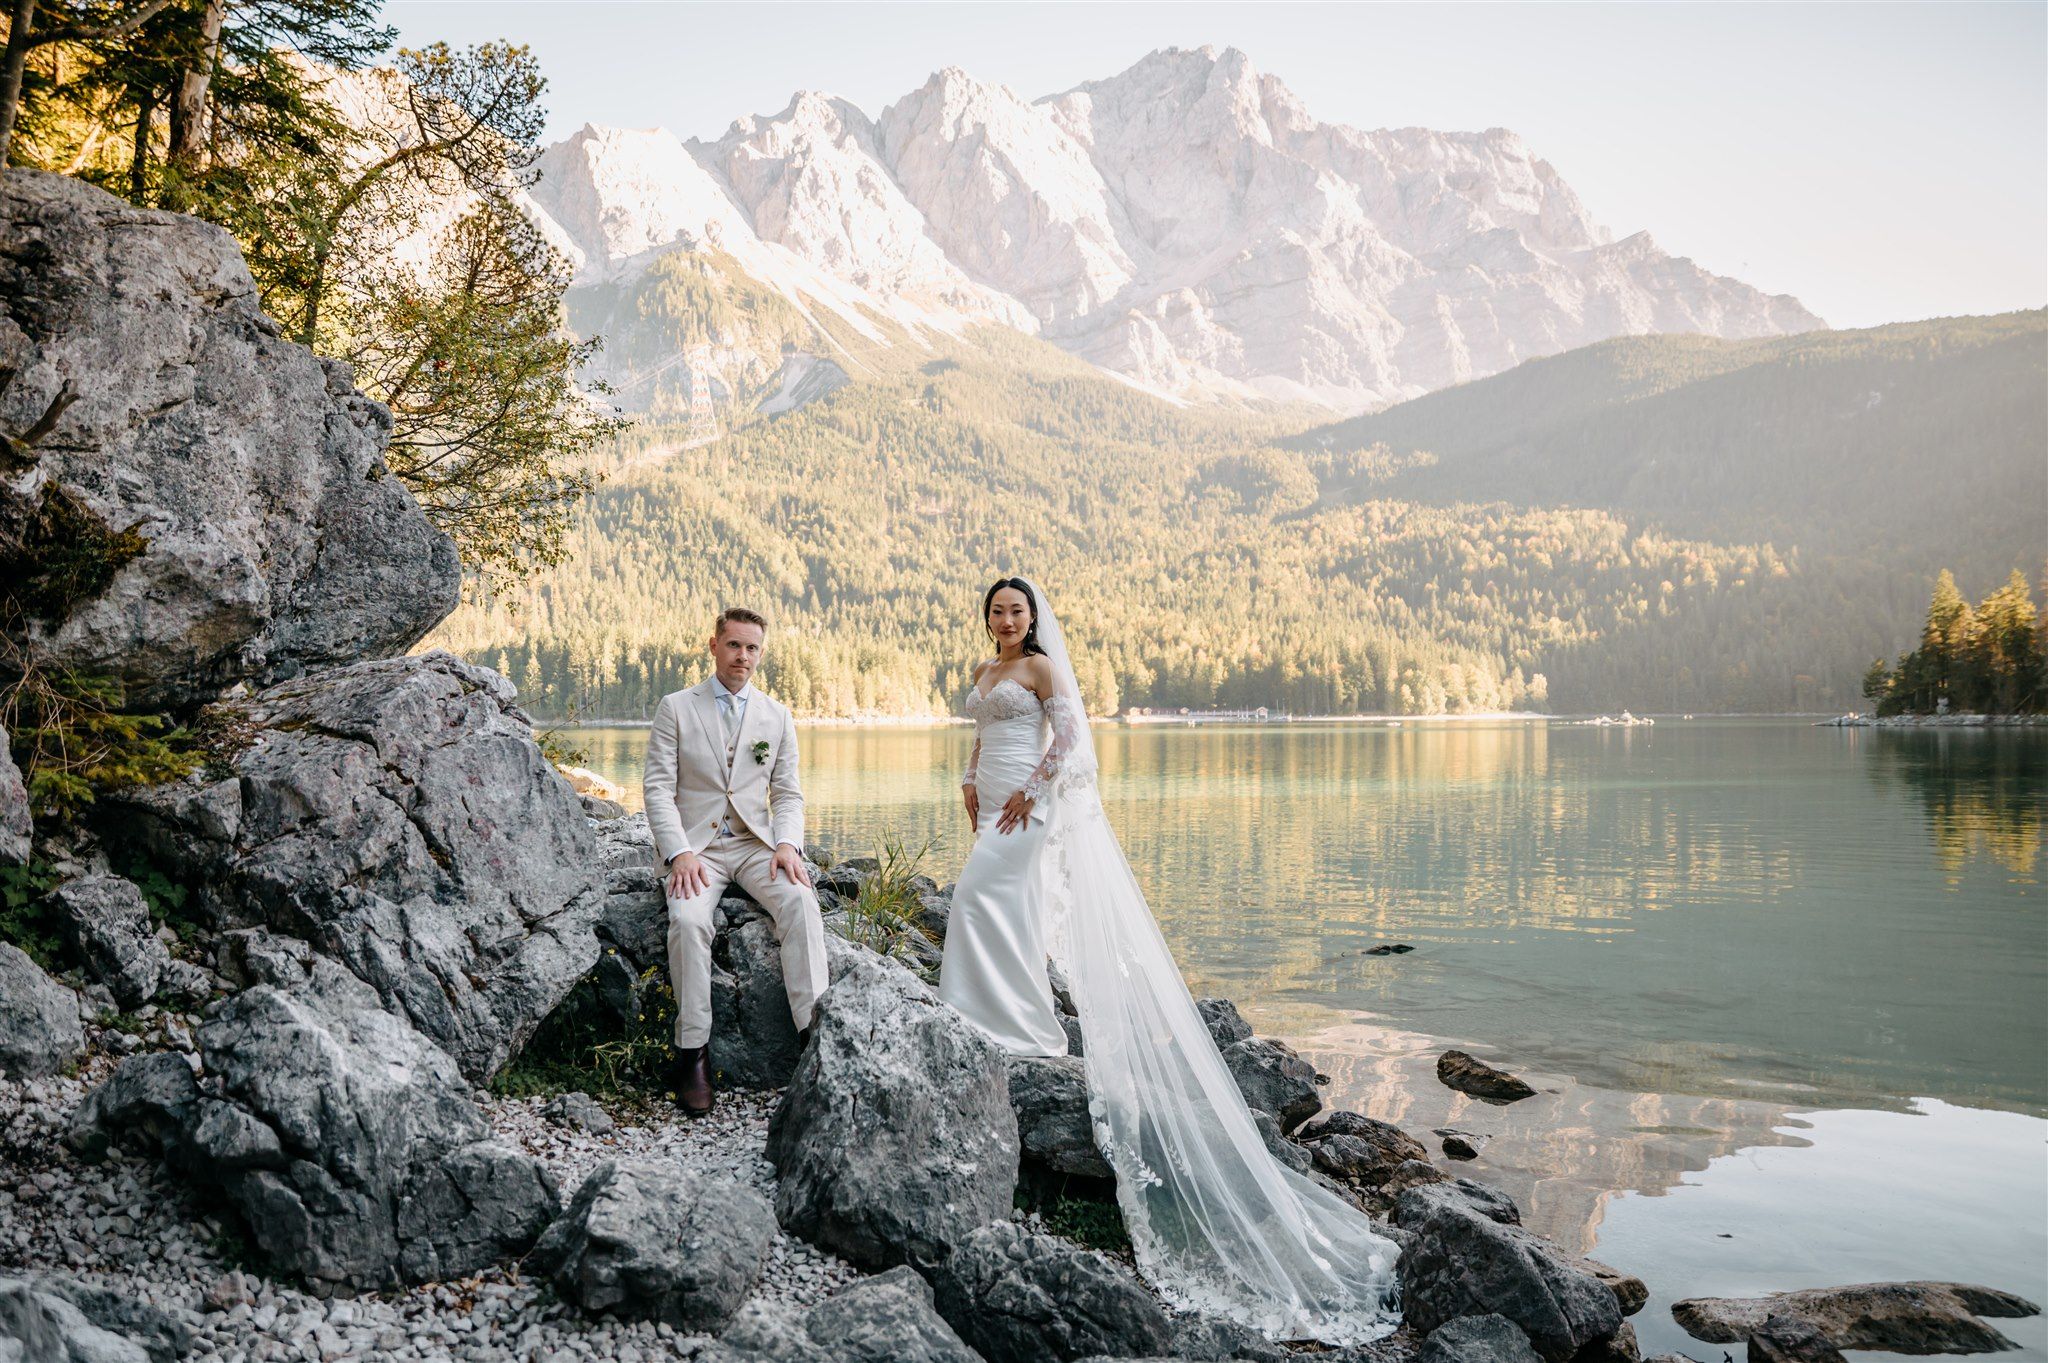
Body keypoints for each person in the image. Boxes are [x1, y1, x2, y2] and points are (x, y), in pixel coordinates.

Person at [940, 577, 1401, 1345]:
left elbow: (1070, 742)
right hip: (988, 800)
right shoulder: (986, 672)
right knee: (991, 909)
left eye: (1017, 610)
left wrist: (1029, 790)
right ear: (987, 619)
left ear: (1032, 618)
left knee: (976, 901)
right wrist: (968, 777)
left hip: (1027, 803)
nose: (1008, 619)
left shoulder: (1044, 670)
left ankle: (1018, 1020)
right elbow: (982, 734)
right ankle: (986, 1009)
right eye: (997, 610)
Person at [642, 606, 827, 1116]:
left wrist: (788, 844)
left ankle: (816, 1037)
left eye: (752, 648)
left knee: (800, 902)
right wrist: (677, 852)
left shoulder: (777, 716)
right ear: (713, 645)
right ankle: (693, 1051)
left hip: (753, 844)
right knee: (687, 920)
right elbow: (657, 789)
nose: (742, 656)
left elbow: (788, 794)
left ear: (760, 654)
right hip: (697, 850)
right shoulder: (676, 707)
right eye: (733, 645)